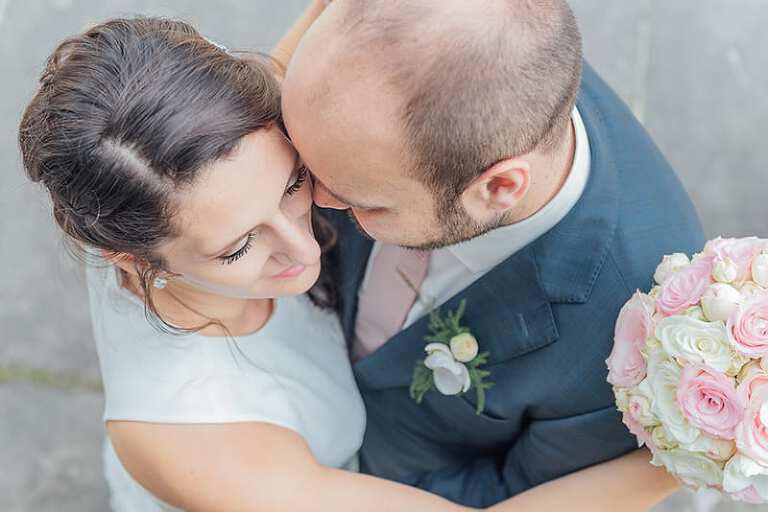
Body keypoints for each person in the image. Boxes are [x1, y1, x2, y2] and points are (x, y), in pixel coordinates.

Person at [19, 5, 677, 512]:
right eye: (240, 246)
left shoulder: (210, 157)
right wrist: (688, 447)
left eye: (291, 183)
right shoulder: (188, 438)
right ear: (131, 259)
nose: (306, 247)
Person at [281, 0, 706, 507]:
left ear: (499, 186)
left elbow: (515, 489)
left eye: (360, 200)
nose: (309, 196)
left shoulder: (633, 322)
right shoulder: (445, 38)